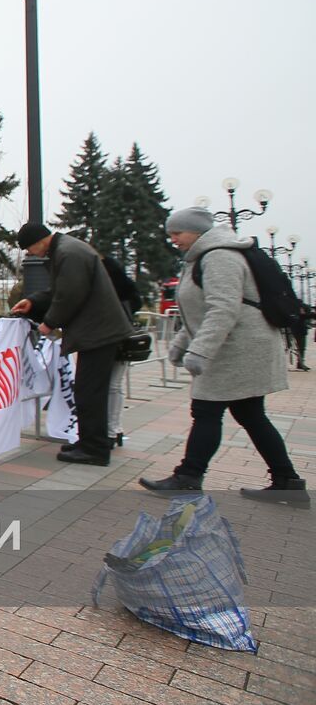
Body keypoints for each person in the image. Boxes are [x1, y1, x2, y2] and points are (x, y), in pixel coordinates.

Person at [139, 208, 307, 504]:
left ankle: (188, 478)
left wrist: (199, 350)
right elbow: (198, 312)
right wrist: (181, 344)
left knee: (207, 411)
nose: (173, 238)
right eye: (170, 233)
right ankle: (287, 481)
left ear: (198, 231)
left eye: (178, 232)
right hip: (232, 346)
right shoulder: (202, 257)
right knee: (250, 415)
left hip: (237, 348)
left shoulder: (219, 256)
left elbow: (223, 309)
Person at [11, 222, 133, 466]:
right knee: (87, 391)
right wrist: (33, 302)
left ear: (38, 241)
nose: (30, 254)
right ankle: (88, 442)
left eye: (29, 249)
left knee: (90, 392)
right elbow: (60, 290)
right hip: (98, 331)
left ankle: (95, 449)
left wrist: (48, 323)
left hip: (98, 332)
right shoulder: (67, 250)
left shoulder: (68, 253)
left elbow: (69, 295)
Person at [101, 251, 142, 449]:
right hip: (117, 335)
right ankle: (113, 428)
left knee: (112, 386)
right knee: (114, 386)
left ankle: (112, 428)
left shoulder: (106, 277)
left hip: (113, 337)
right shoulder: (119, 282)